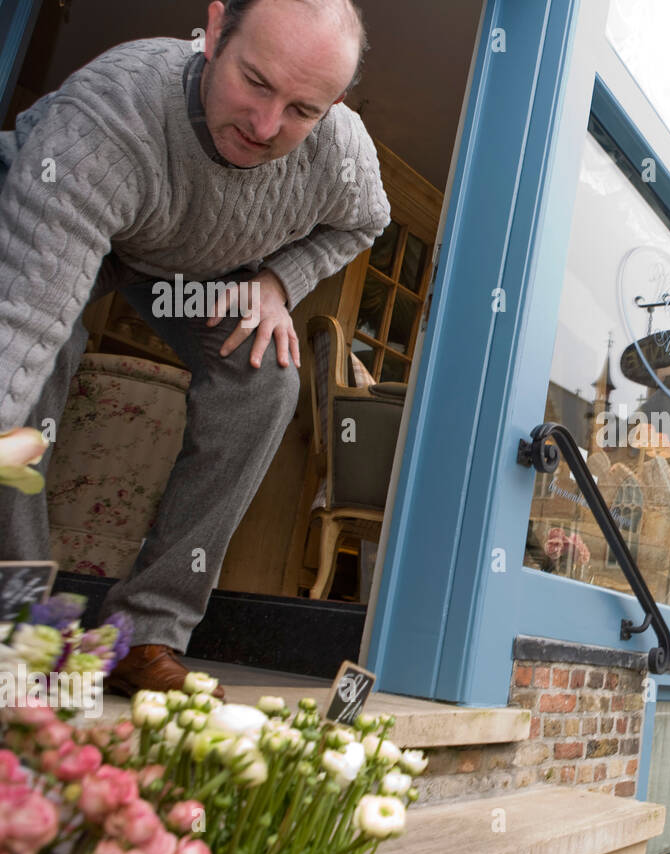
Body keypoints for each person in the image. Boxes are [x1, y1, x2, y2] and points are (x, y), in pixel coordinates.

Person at [0, 0, 391, 697]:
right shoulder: (109, 118)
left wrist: (277, 281)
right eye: (256, 83)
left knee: (265, 375)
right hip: (48, 216)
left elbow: (366, 223)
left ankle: (145, 633)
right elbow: (20, 337)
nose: (267, 127)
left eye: (303, 109)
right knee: (37, 362)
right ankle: (24, 625)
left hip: (183, 261)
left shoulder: (339, 153)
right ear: (213, 32)